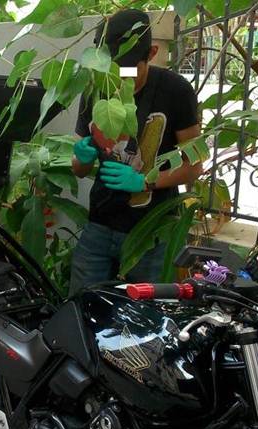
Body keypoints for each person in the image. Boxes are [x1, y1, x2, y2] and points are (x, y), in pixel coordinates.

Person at [69, 9, 203, 295]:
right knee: (82, 304)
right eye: (113, 69)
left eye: (129, 69)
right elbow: (78, 169)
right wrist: (82, 157)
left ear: (152, 53)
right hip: (100, 226)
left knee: (147, 320)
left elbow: (195, 165)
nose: (120, 79)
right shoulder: (97, 88)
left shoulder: (175, 91)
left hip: (152, 233)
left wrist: (145, 181)